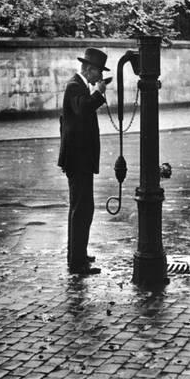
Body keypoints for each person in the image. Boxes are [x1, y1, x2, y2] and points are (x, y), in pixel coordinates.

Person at [58, 48, 111, 274]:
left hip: (80, 158)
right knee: (81, 208)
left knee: (82, 207)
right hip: (77, 158)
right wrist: (98, 93)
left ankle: (78, 254)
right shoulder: (74, 86)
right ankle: (76, 261)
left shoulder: (79, 86)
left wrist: (96, 92)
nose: (99, 78)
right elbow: (81, 110)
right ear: (88, 69)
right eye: (98, 73)